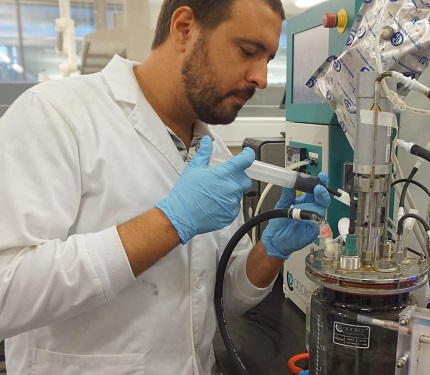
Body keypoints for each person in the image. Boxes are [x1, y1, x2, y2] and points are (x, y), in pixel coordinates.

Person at [0, 0, 331, 374]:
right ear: (185, 28)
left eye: (269, 59)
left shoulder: (217, 155)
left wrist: (269, 251)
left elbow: (216, 299)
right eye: (248, 51)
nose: (260, 77)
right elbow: (6, 292)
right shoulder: (55, 115)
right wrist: (168, 223)